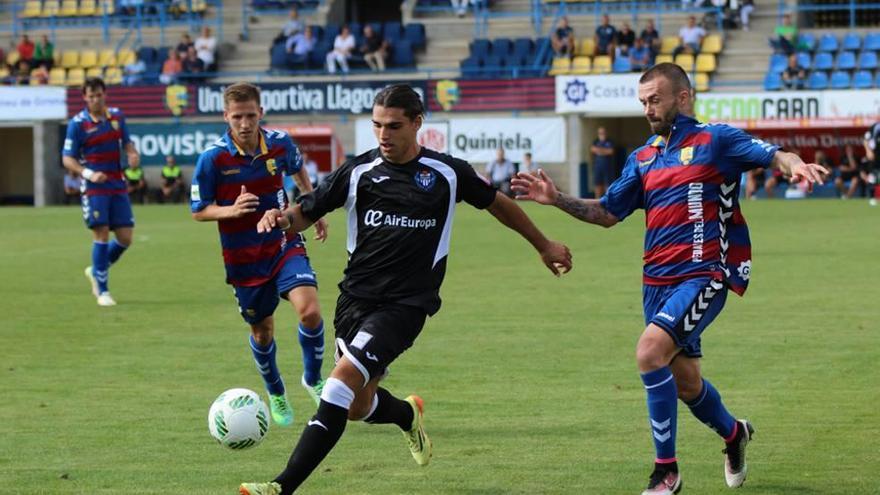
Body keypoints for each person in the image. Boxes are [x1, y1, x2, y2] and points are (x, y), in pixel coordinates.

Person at [238, 83, 572, 495]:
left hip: (406, 305)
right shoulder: (358, 171)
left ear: (417, 124)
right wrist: (281, 220)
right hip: (355, 301)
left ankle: (280, 486)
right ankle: (406, 416)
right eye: (377, 125)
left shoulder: (447, 173)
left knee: (339, 385)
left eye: (394, 126)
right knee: (358, 406)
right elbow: (308, 210)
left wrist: (543, 245)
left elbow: (498, 204)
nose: (383, 135)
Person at [512, 63, 827, 495]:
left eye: (654, 99)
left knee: (648, 352)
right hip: (655, 282)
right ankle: (734, 434)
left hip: (704, 274)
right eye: (642, 101)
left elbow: (773, 154)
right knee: (685, 383)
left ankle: (666, 472)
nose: (647, 109)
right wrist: (556, 199)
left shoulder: (715, 139)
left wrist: (795, 165)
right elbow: (607, 213)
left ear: (683, 97)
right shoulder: (643, 157)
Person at [190, 82, 330, 431]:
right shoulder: (212, 159)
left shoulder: (281, 142)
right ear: (226, 116)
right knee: (263, 331)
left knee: (310, 311)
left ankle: (313, 380)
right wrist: (231, 210)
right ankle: (275, 390)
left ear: (260, 113)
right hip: (244, 259)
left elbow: (297, 169)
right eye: (237, 116)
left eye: (251, 115)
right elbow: (198, 210)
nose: (245, 123)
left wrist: (314, 206)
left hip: (284, 241)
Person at [62, 77, 141, 307]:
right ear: (85, 97)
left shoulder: (117, 116)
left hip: (117, 184)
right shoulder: (78, 124)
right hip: (94, 187)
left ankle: (95, 269)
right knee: (102, 235)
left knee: (126, 238)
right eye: (91, 95)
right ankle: (103, 291)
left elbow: (127, 143)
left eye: (99, 94)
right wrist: (88, 174)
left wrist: (133, 155)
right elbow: (67, 158)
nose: (96, 99)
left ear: (105, 94)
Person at [590, 126, 615, 198]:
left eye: (603, 133)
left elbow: (611, 151)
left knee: (607, 184)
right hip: (598, 166)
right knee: (598, 184)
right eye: (600, 133)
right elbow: (592, 149)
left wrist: (599, 151)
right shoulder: (596, 141)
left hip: (607, 166)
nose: (601, 134)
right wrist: (604, 151)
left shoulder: (609, 141)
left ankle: (607, 199)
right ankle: (597, 200)